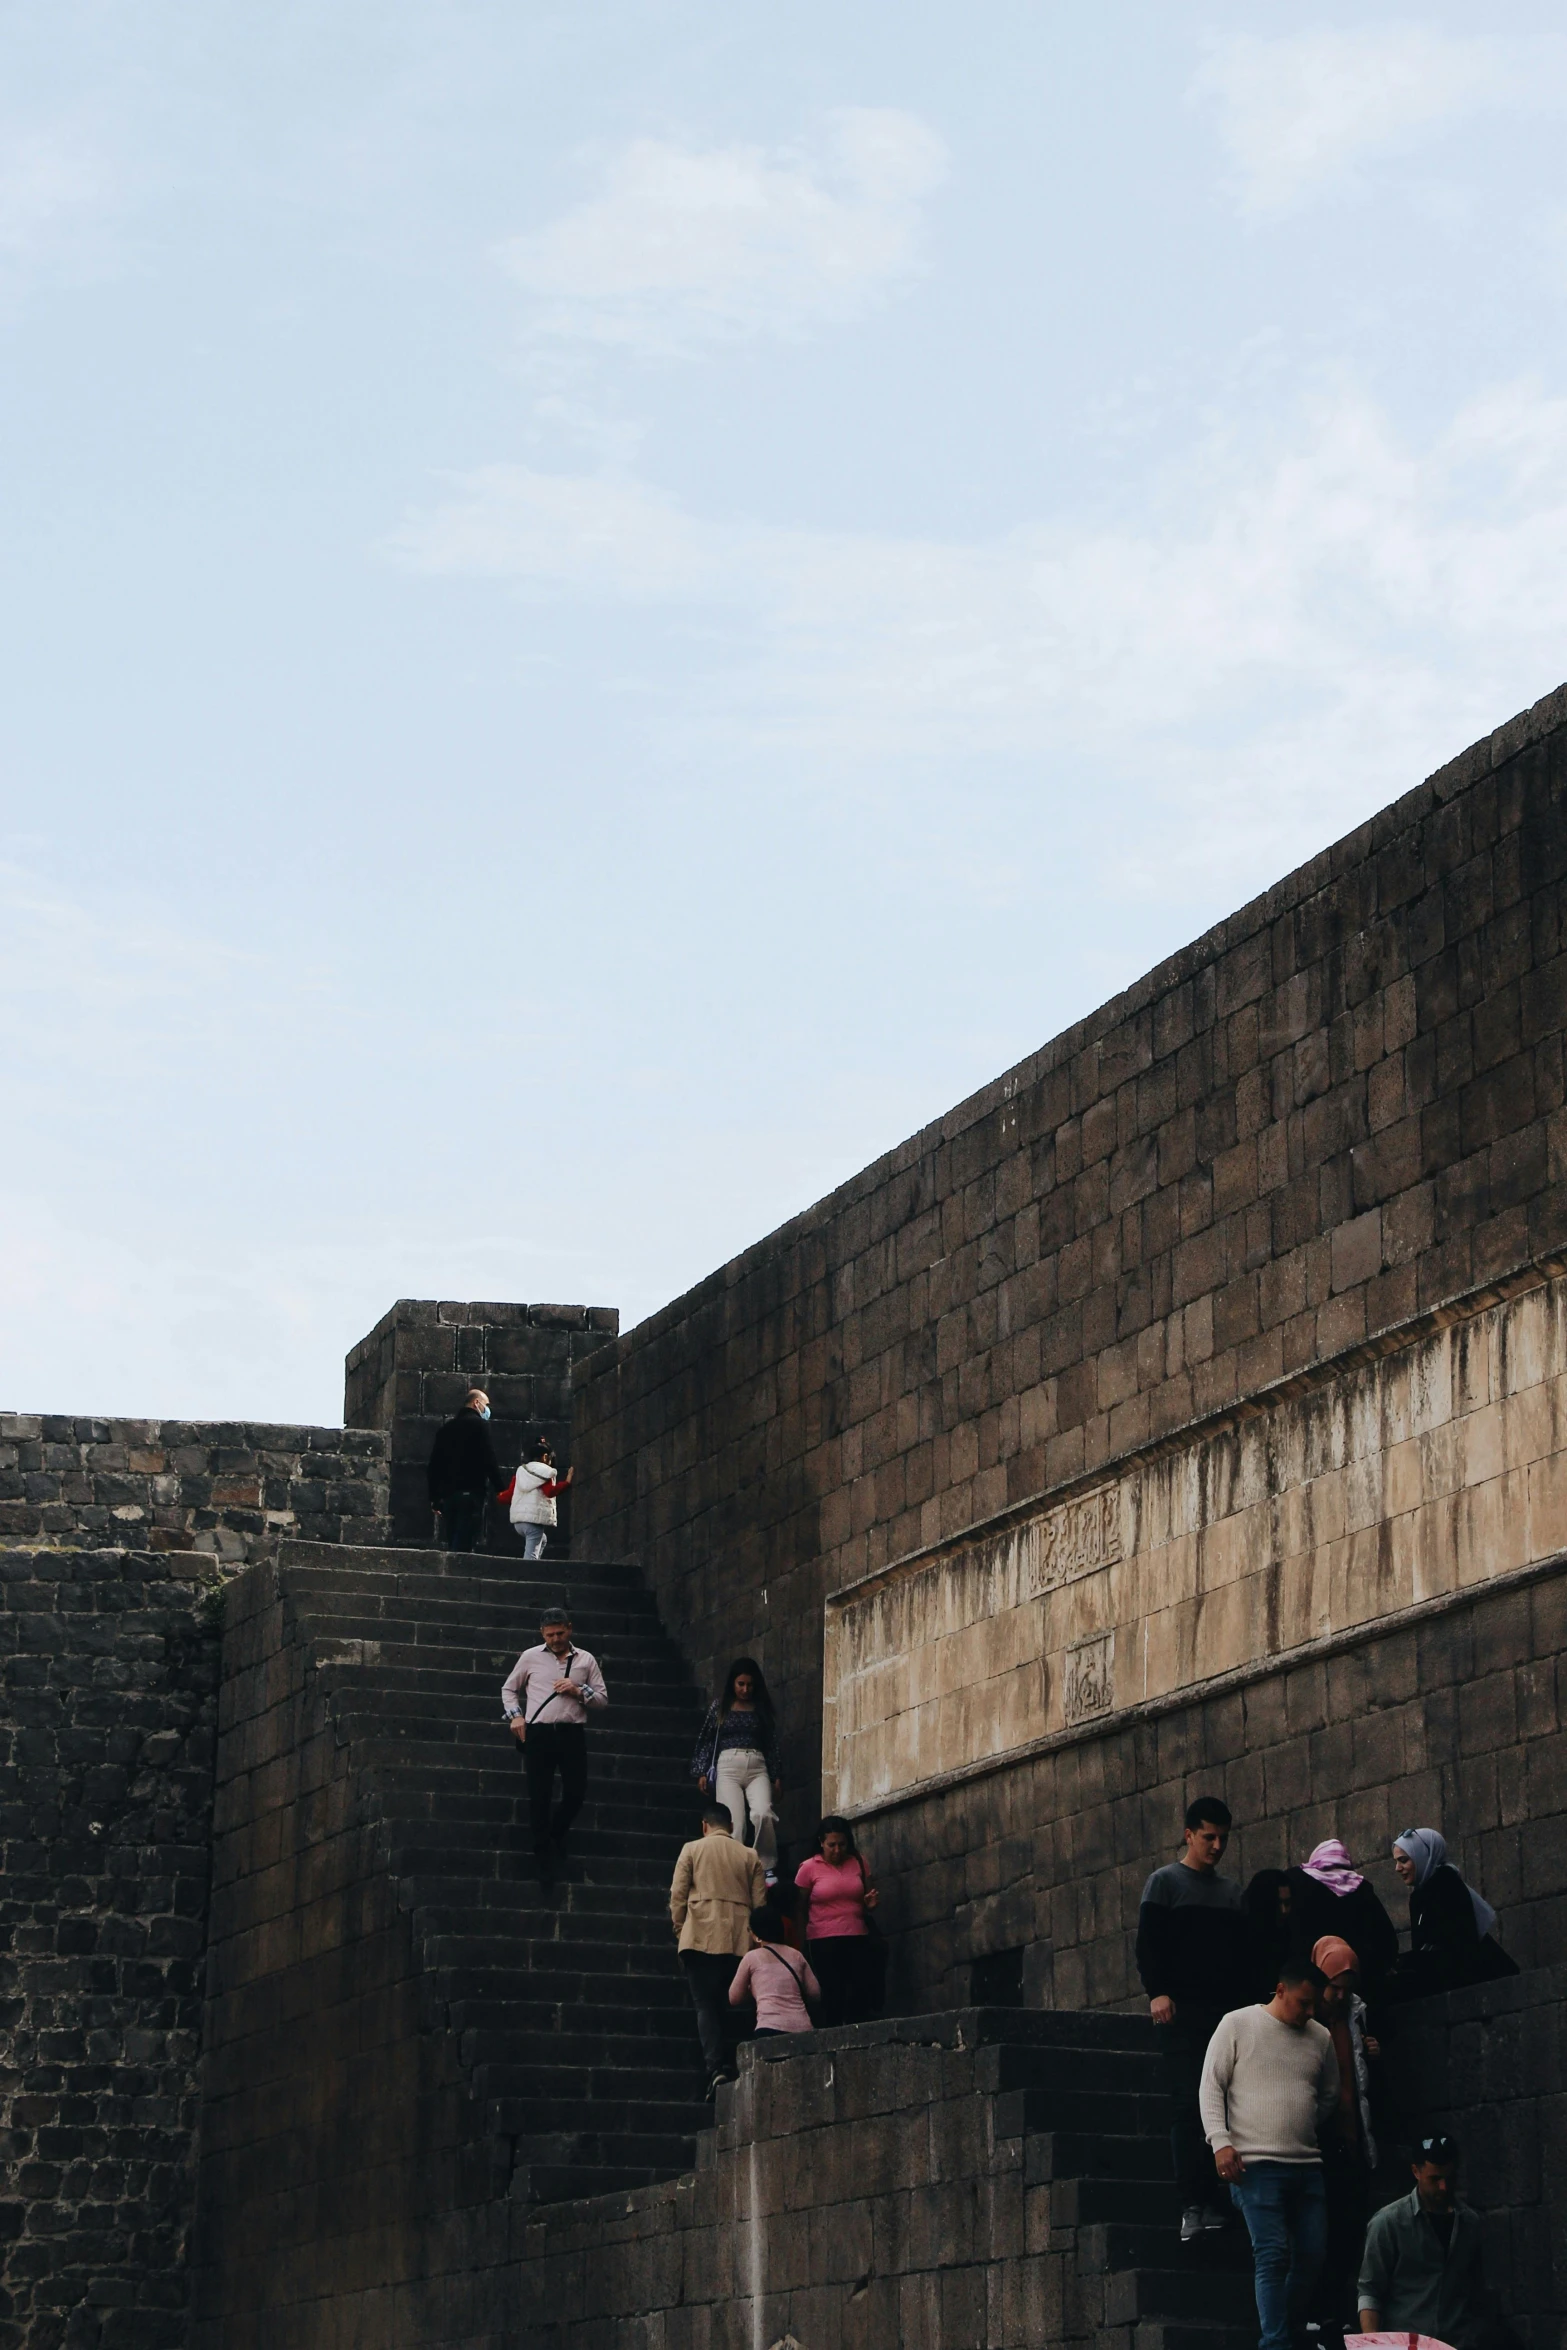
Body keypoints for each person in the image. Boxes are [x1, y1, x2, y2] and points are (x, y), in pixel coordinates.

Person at [1198, 1962, 1340, 2350]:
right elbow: (1211, 2085)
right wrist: (1220, 2141)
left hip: (1306, 2164)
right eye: (1302, 2003)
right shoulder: (1238, 2025)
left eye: (1313, 2005)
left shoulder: (1321, 2038)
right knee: (1273, 2253)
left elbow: (1329, 2095)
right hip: (1255, 2165)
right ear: (1280, 1990)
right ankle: (1275, 2341)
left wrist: (1299, 2121)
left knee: (1312, 2256)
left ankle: (1286, 2326)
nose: (1308, 2012)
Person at [1136, 1796, 1255, 2243]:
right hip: (1182, 2012)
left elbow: (1241, 1956)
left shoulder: (1230, 1893)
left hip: (1223, 2015)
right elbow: (1149, 1944)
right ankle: (1192, 2204)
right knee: (1188, 2105)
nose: (1217, 1846)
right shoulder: (1164, 1884)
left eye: (1223, 1838)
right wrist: (1158, 1992)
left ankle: (1219, 2200)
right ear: (1189, 1834)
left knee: (1224, 2105)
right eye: (1209, 1837)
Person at [1358, 2134, 1510, 2350]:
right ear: (1416, 2172)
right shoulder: (1388, 2223)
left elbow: (1478, 2290)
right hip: (1407, 2342)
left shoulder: (1469, 2223)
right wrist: (1371, 2344)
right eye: (1435, 2179)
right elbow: (1370, 2290)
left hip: (1458, 2341)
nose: (1443, 2187)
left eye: (1449, 2178)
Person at [502, 1607, 608, 1884]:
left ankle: (557, 1831)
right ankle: (542, 1849)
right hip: (539, 1732)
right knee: (539, 1793)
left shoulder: (585, 1659)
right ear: (542, 1634)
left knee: (576, 1792)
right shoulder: (530, 1657)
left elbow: (602, 1699)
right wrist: (516, 1717)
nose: (556, 1639)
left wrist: (577, 1690)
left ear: (569, 1629)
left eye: (560, 1633)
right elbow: (509, 1689)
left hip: (572, 1732)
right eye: (550, 1635)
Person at [669, 1800, 767, 2096]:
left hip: (698, 1938)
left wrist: (680, 1930)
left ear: (704, 1825)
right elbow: (761, 1905)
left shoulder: (692, 1849)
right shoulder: (749, 1855)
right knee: (732, 2002)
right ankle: (738, 2065)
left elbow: (677, 1894)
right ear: (732, 1827)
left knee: (705, 2004)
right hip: (738, 1942)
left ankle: (715, 2068)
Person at [1310, 1935, 1379, 2334]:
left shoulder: (1356, 2014)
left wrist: (1373, 2051)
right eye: (1333, 1985)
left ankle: (1337, 2312)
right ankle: (1318, 2313)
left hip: (1354, 2135)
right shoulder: (1305, 2015)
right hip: (1320, 2140)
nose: (1338, 1994)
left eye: (1345, 1988)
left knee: (1351, 2232)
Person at [1390, 1828, 1520, 1998]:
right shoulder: (1419, 1895)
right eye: (1396, 1861)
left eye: (1404, 1860)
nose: (1397, 1868)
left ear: (1423, 1857)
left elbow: (1455, 1943)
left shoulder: (1446, 1884)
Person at [690, 1658, 783, 1880]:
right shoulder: (720, 1707)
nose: (745, 1689)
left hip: (757, 1764)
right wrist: (701, 1770)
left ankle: (765, 1864)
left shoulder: (761, 1709)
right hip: (728, 1765)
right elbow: (707, 1740)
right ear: (733, 1683)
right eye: (740, 1684)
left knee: (763, 1813)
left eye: (749, 1685)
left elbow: (771, 1743)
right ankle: (734, 1867)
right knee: (735, 1822)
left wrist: (777, 1775)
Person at [794, 1817, 885, 2027]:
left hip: (857, 1935)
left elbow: (867, 1895)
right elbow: (800, 1907)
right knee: (831, 1991)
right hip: (823, 1939)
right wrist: (801, 1942)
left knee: (859, 1989)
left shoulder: (859, 1862)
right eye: (831, 1845)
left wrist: (870, 1903)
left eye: (842, 1845)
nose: (837, 1851)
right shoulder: (808, 1868)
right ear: (821, 1843)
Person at [1284, 1840, 1399, 2004]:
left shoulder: (1295, 1881)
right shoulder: (1362, 1888)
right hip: (1357, 1985)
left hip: (1306, 1982)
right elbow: (1387, 1943)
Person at [427, 1388, 505, 1553]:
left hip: (448, 1495)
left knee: (452, 1536)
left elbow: (434, 1465)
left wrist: (434, 1497)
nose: (487, 1409)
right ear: (476, 1403)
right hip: (471, 1491)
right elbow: (489, 1458)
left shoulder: (445, 1429)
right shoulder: (480, 1425)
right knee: (465, 1540)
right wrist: (500, 1488)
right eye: (486, 1405)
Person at [728, 1904, 820, 2039]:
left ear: (755, 1933)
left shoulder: (751, 1958)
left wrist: (754, 1987)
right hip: (803, 2028)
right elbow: (815, 1993)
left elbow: (734, 1997)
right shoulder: (796, 1955)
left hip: (769, 2027)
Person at [504, 1438, 575, 1562]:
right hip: (533, 1522)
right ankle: (525, 1576)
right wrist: (567, 1482)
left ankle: (535, 1567)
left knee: (542, 1539)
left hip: (518, 1523)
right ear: (545, 1457)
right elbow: (550, 1492)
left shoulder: (521, 1471)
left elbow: (509, 1494)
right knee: (530, 1557)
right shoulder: (545, 1472)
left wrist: (498, 1496)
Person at [1243, 1868, 1294, 2001]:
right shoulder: (1241, 1937)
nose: (1283, 1910)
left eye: (1287, 1903)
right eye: (1277, 1904)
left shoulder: (1290, 1937)